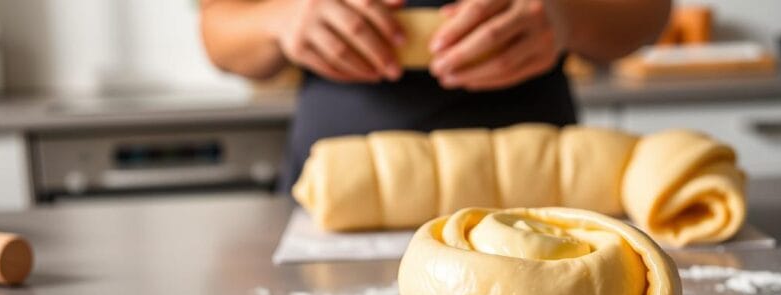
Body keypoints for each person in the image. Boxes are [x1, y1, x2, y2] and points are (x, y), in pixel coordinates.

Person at [200, 0, 671, 193]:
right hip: (336, 194)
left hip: (538, 186)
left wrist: (567, 17)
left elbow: (648, 13)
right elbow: (218, 26)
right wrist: (279, 19)